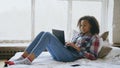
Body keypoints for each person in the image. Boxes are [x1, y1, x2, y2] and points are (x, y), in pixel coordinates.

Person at [5, 15, 100, 65]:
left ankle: (28, 60)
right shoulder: (79, 34)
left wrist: (78, 48)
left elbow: (94, 56)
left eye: (84, 25)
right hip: (66, 52)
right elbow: (73, 46)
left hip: (71, 57)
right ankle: (23, 57)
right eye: (81, 25)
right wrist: (68, 44)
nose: (81, 27)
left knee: (47, 35)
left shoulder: (95, 38)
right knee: (43, 32)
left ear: (91, 26)